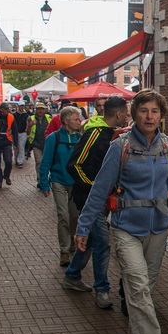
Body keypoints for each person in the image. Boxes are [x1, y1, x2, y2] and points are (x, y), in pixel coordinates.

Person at [74, 89, 168, 334]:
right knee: (139, 286)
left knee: (146, 288)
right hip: (125, 227)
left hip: (158, 228)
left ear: (161, 115)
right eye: (144, 110)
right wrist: (83, 226)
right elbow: (99, 189)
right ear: (134, 114)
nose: (149, 116)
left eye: (154, 111)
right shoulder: (119, 147)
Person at [62, 96, 130, 309]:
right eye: (126, 113)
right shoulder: (95, 134)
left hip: (102, 199)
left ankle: (72, 275)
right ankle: (102, 289)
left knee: (91, 241)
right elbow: (75, 165)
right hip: (89, 199)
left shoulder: (113, 135)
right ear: (118, 114)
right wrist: (96, 188)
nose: (127, 116)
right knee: (101, 242)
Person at [39, 106, 82, 267]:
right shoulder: (53, 138)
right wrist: (44, 183)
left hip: (75, 183)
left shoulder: (79, 137)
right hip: (58, 181)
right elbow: (45, 162)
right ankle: (64, 251)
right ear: (66, 121)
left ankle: (71, 238)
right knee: (63, 215)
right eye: (76, 119)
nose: (79, 122)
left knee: (74, 216)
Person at [27, 102, 52, 188]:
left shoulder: (49, 118)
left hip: (47, 144)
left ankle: (46, 179)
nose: (40, 111)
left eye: (42, 109)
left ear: (45, 110)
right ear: (36, 110)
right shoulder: (31, 118)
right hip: (36, 144)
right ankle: (40, 180)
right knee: (39, 162)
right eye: (38, 109)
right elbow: (27, 132)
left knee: (47, 162)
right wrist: (30, 126)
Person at [12, 101, 29, 168]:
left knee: (21, 147)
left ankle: (20, 161)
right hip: (15, 133)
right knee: (16, 147)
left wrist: (27, 131)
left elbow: (27, 124)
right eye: (20, 106)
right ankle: (16, 159)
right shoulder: (14, 115)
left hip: (23, 133)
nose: (21, 107)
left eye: (22, 106)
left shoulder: (26, 115)